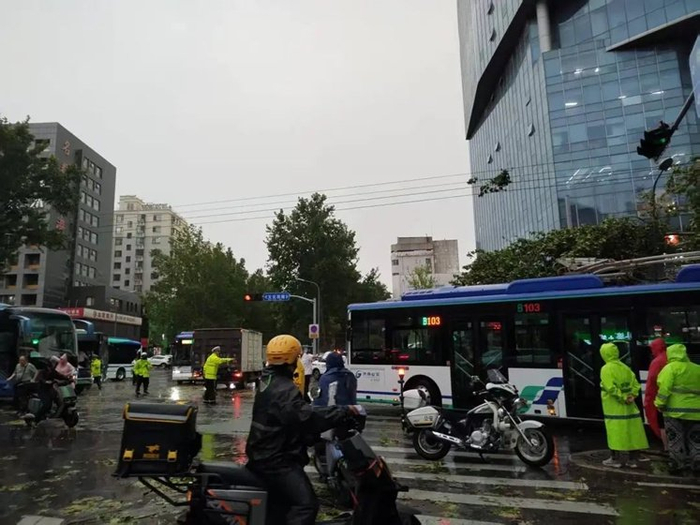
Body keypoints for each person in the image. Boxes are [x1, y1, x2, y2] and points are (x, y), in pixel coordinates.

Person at [245, 334, 358, 525]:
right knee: (306, 505)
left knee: (280, 507)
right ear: (292, 360)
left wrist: (309, 437)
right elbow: (306, 417)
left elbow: (288, 418)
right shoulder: (283, 389)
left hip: (265, 452)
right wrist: (343, 411)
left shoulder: (268, 380)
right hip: (276, 461)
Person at [599, 342, 649, 468]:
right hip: (630, 406)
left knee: (615, 432)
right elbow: (636, 384)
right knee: (632, 431)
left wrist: (623, 398)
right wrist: (631, 396)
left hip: (614, 408)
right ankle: (633, 460)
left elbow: (610, 388)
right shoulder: (625, 367)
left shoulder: (606, 369)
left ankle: (615, 459)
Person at [654, 343, 700, 473]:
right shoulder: (697, 368)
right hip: (696, 412)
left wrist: (659, 404)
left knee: (675, 439)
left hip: (674, 412)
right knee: (696, 439)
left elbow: (664, 389)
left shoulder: (670, 368)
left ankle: (677, 465)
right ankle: (697, 463)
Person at [644, 338, 668, 448]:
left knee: (662, 424)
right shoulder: (672, 359)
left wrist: (648, 400)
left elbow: (651, 383)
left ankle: (667, 448)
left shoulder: (657, 362)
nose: (652, 352)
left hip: (661, 399)